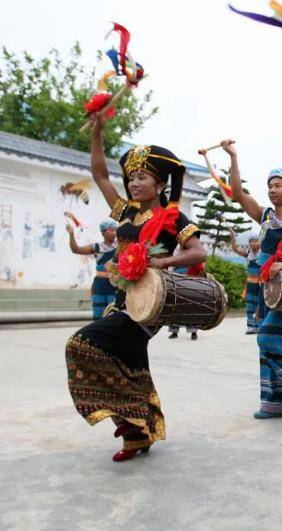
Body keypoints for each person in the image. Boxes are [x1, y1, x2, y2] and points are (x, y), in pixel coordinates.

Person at [65, 115, 206, 462]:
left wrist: (161, 262)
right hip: (120, 299)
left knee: (81, 344)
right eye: (130, 178)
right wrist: (98, 132)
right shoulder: (125, 211)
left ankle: (134, 423)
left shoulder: (175, 219)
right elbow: (100, 174)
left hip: (148, 306)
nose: (133, 183)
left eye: (142, 177)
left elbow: (197, 252)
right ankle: (138, 434)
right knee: (131, 367)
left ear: (159, 185)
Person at [218, 139, 282, 418]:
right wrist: (233, 157)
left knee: (267, 338)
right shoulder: (264, 216)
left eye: (278, 185)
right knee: (267, 347)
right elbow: (237, 193)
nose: (272, 190)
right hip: (267, 287)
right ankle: (275, 403)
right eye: (270, 185)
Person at [66, 219, 118, 320]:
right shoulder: (97, 247)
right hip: (99, 285)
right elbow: (76, 249)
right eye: (111, 230)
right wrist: (71, 234)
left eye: (115, 230)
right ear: (103, 232)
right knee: (98, 316)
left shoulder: (120, 247)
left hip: (114, 285)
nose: (114, 233)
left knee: (113, 316)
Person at [230, 229, 262, 334]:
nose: (253, 243)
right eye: (251, 241)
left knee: (259, 304)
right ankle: (251, 326)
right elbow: (235, 249)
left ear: (260, 242)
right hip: (250, 283)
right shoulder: (248, 254)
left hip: (260, 283)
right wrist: (233, 237)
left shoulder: (263, 255)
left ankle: (260, 326)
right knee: (250, 304)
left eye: (256, 241)